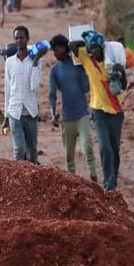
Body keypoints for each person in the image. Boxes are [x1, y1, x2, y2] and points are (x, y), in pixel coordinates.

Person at [70, 31, 127, 191]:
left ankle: (113, 181)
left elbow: (123, 86)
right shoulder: (88, 62)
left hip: (116, 112)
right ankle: (108, 185)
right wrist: (87, 39)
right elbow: (72, 45)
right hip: (98, 111)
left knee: (114, 149)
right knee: (104, 147)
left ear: (102, 48)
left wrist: (121, 71)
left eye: (96, 48)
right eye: (91, 48)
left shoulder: (112, 63)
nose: (93, 51)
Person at [48, 35, 98, 182]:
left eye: (57, 50)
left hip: (82, 114)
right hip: (67, 117)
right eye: (54, 51)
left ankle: (94, 179)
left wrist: (83, 70)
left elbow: (86, 88)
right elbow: (52, 94)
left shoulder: (78, 65)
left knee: (87, 147)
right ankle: (73, 183)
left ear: (65, 48)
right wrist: (52, 113)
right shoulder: (55, 70)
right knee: (69, 155)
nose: (55, 53)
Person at [3, 26, 47, 164]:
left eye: (21, 38)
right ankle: (19, 182)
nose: (19, 41)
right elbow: (7, 90)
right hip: (14, 112)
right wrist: (6, 117)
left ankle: (33, 182)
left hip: (30, 112)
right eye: (16, 38)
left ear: (27, 39)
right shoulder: (9, 62)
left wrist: (35, 62)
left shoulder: (36, 61)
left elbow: (34, 86)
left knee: (32, 152)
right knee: (19, 150)